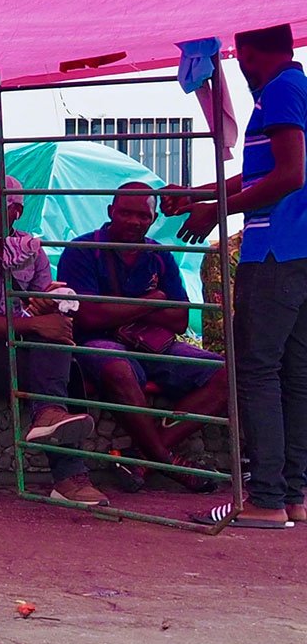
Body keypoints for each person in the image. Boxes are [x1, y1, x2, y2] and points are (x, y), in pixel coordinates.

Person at [170, 24, 307, 526]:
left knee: (256, 372)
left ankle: (266, 500)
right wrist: (203, 192)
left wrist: (216, 210)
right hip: (297, 252)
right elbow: (265, 172)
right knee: (293, 374)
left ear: (247, 52)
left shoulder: (281, 91)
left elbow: (291, 174)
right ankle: (294, 495)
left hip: (276, 252)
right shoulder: (298, 88)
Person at [0, 173, 104, 508]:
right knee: (51, 351)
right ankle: (68, 470)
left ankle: (53, 422)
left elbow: (40, 309)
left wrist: (49, 306)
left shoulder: (31, 251)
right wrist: (39, 323)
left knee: (63, 353)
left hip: (11, 340)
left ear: (15, 212)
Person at [55, 182, 228, 488]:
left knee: (227, 374)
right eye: (126, 213)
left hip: (156, 342)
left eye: (142, 216)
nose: (134, 221)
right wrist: (152, 300)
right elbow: (90, 317)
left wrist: (118, 309)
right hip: (97, 342)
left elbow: (180, 319)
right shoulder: (81, 251)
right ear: (110, 212)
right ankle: (167, 461)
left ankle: (143, 457)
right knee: (116, 367)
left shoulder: (159, 255)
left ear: (151, 218)